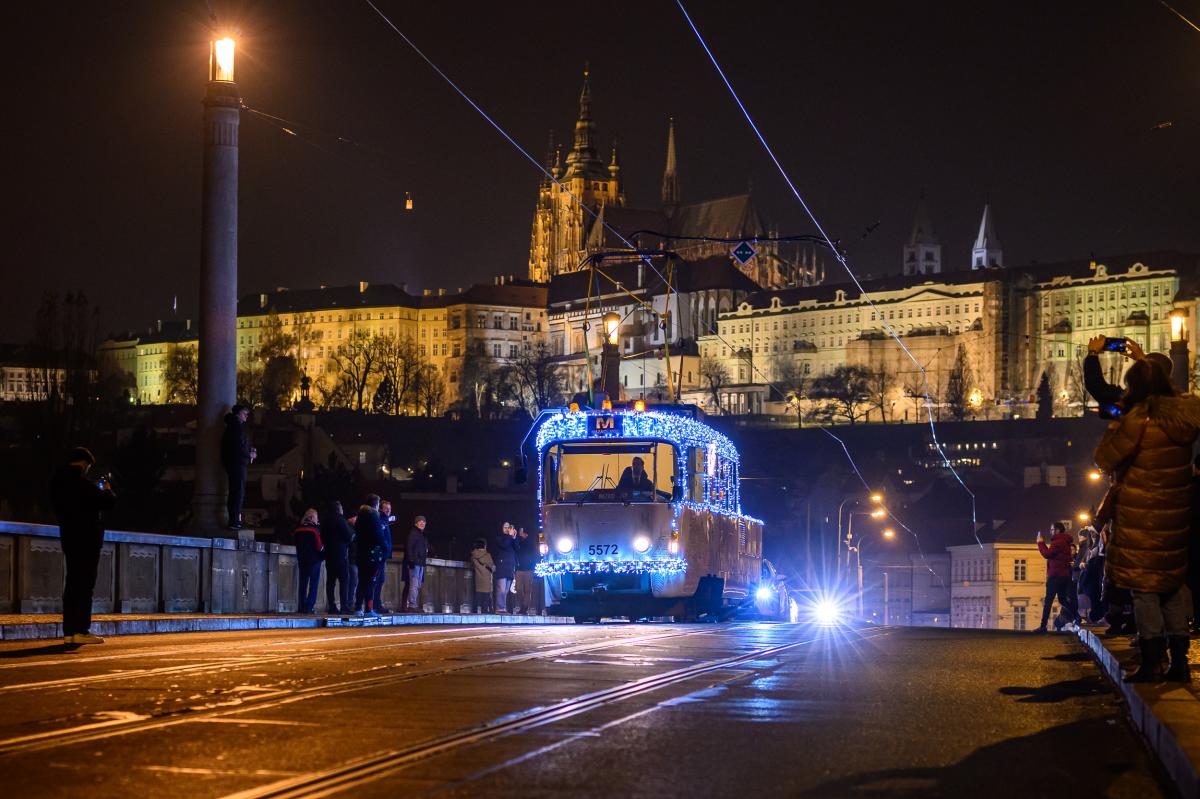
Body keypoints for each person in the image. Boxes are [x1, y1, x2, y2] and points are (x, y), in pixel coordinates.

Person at [1094, 359, 1200, 682]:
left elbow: (1104, 458)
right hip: (1176, 515)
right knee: (1171, 586)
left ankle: (1153, 660)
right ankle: (1179, 661)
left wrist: (1116, 425)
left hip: (1141, 516)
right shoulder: (1183, 417)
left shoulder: (1138, 420)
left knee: (1144, 590)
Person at [49, 447, 116, 645]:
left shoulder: (57, 484)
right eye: (88, 467)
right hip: (87, 540)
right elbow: (109, 502)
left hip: (69, 538)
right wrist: (107, 489)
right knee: (85, 585)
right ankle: (81, 629)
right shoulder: (81, 485)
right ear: (83, 464)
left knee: (72, 584)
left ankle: (69, 631)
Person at [1084, 335, 1173, 418]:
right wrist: (1142, 360)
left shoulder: (1135, 402)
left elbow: (1098, 388)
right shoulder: (1172, 404)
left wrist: (1093, 353)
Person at [1035, 522, 1080, 633]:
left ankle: (1043, 626)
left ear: (1058, 530)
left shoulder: (1057, 542)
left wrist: (1040, 543)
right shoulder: (1065, 542)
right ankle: (1077, 616)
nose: (1050, 531)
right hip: (1064, 575)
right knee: (1062, 599)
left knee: (1048, 601)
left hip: (1055, 575)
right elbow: (1052, 553)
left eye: (1052, 529)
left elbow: (1047, 554)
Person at [220, 404, 256, 530]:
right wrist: (249, 454)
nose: (247, 416)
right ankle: (234, 521)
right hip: (237, 464)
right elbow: (238, 447)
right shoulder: (236, 428)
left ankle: (235, 520)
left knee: (236, 492)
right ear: (238, 414)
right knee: (238, 492)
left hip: (235, 463)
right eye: (245, 413)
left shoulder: (234, 427)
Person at [353, 494, 386, 617]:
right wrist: (385, 547)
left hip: (361, 553)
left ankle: (358, 607)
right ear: (375, 504)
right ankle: (368, 609)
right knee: (371, 582)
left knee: (362, 581)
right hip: (372, 554)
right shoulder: (373, 516)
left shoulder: (361, 516)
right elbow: (378, 536)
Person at [322, 501, 353, 615]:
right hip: (340, 554)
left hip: (329, 554)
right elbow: (349, 536)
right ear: (339, 509)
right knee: (344, 581)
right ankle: (344, 606)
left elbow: (322, 537)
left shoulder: (325, 521)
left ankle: (332, 606)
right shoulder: (340, 520)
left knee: (330, 582)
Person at [293, 508, 324, 614]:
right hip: (314, 560)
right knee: (313, 584)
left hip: (302, 560)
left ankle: (301, 606)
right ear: (311, 518)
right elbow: (319, 546)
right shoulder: (314, 530)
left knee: (303, 584)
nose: (317, 520)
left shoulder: (297, 530)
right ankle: (309, 607)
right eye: (316, 517)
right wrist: (323, 555)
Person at [374, 500, 396, 613]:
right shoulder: (381, 520)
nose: (388, 511)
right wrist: (386, 548)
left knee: (380, 580)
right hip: (379, 556)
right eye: (386, 508)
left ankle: (376, 604)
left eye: (389, 509)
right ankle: (374, 605)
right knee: (377, 580)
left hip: (383, 556)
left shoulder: (385, 521)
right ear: (381, 509)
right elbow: (382, 538)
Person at [405, 516, 429, 612]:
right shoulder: (414, 533)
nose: (422, 523)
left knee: (417, 584)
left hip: (420, 562)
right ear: (416, 523)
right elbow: (409, 547)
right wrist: (411, 560)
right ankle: (412, 605)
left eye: (424, 521)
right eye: (420, 521)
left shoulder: (421, 534)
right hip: (415, 562)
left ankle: (413, 604)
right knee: (414, 584)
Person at [493, 522, 519, 613]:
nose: (507, 529)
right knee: (501, 588)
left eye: (508, 527)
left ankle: (503, 608)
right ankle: (499, 608)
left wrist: (514, 537)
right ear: (501, 529)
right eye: (505, 527)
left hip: (510, 566)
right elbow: (504, 545)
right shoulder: (499, 538)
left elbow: (517, 548)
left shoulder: (510, 538)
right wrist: (510, 536)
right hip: (502, 566)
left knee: (506, 590)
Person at [514, 527, 540, 615]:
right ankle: (523, 605)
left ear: (526, 533)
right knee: (518, 589)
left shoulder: (530, 541)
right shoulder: (519, 541)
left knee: (527, 590)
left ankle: (524, 608)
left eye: (522, 532)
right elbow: (516, 548)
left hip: (529, 569)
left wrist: (533, 566)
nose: (520, 533)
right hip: (519, 569)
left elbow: (532, 549)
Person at [470, 538, 495, 614]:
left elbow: (472, 565)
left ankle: (475, 611)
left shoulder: (473, 555)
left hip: (478, 579)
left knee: (477, 596)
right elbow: (493, 568)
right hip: (487, 579)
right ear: (484, 546)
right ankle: (485, 611)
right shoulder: (487, 555)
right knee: (486, 597)